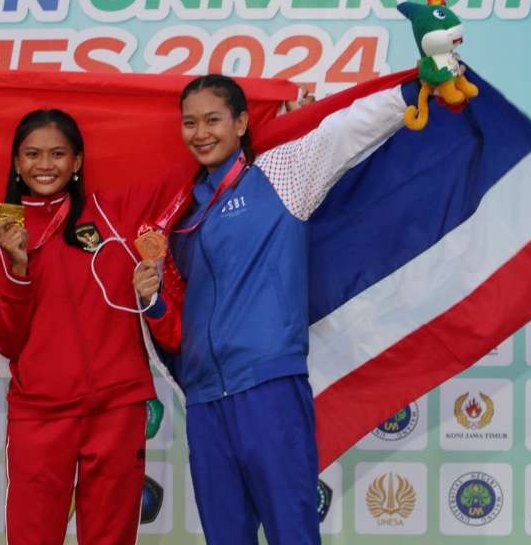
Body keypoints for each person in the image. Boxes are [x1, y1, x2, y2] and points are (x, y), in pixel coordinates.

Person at [135, 74, 406, 544]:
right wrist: (153, 301)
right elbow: (180, 319)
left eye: (213, 120)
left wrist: (412, 90)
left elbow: (345, 132)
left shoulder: (280, 176)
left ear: (241, 122)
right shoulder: (178, 211)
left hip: (268, 389)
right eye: (190, 123)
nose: (201, 133)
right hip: (204, 401)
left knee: (292, 534)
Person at [0, 109, 187, 545]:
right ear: (16, 163)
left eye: (58, 153)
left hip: (117, 408)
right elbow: (6, 340)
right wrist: (18, 267)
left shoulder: (114, 212)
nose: (45, 165)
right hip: (40, 414)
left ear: (77, 162)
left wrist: (277, 118)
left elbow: (198, 164)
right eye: (32, 154)